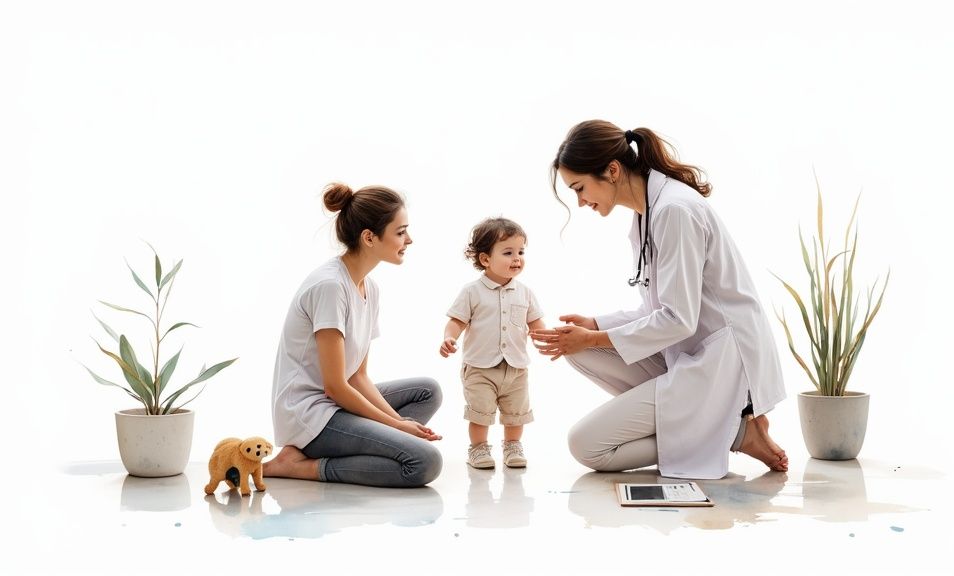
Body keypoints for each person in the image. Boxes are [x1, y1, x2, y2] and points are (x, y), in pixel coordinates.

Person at [531, 120, 788, 479]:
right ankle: (719, 424)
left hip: (721, 361)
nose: (581, 201)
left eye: (580, 188)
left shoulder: (673, 210)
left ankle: (732, 430)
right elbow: (656, 309)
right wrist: (594, 326)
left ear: (612, 170)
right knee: (576, 350)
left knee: (586, 445)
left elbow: (678, 319)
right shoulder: (646, 214)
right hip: (689, 350)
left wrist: (594, 337)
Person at [263, 182, 444, 488]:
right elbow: (335, 386)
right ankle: (299, 465)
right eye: (401, 232)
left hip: (337, 402)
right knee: (424, 463)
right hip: (310, 414)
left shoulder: (369, 288)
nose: (409, 240)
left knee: (428, 391)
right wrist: (397, 426)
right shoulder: (330, 287)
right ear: (369, 237)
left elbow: (358, 376)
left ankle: (359, 445)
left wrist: (398, 424)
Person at [439, 218, 545, 469]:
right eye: (508, 253)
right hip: (480, 367)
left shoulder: (525, 292)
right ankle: (478, 449)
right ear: (485, 259)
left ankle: (512, 446)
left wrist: (547, 338)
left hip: (516, 367)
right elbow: (456, 321)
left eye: (521, 252)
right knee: (480, 412)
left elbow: (536, 323)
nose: (517, 258)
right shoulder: (472, 291)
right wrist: (449, 338)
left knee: (516, 413)